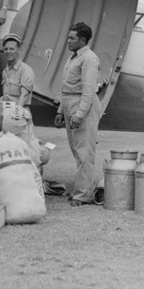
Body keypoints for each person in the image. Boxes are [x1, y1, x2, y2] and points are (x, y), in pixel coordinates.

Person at [53, 23, 102, 207]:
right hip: (70, 103)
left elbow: (88, 91)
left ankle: (83, 195)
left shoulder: (89, 59)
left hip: (82, 104)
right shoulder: (73, 58)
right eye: (68, 37)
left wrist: (80, 114)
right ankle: (81, 190)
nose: (68, 41)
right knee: (77, 150)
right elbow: (66, 87)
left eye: (72, 38)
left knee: (84, 152)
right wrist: (60, 111)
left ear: (83, 40)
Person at [0, 33, 35, 111]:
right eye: (6, 49)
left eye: (12, 49)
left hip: (19, 112)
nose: (8, 52)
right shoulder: (5, 71)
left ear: (18, 50)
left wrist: (16, 113)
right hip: (6, 112)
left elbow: (24, 95)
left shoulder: (26, 70)